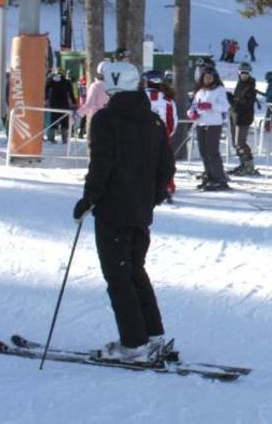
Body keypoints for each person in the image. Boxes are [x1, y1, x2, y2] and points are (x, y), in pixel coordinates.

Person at [73, 61, 175, 363]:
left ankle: (134, 343)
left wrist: (89, 198)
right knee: (134, 270)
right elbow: (166, 166)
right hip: (140, 210)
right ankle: (152, 333)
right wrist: (152, 196)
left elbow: (102, 163)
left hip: (114, 210)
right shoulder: (153, 121)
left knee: (118, 275)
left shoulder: (107, 119)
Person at [188, 66, 231, 191]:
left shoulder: (219, 90)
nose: (208, 79)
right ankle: (210, 176)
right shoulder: (199, 91)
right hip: (201, 123)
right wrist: (191, 113)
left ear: (214, 78)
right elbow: (193, 106)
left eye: (210, 77)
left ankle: (220, 179)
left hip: (214, 124)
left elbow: (225, 106)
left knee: (213, 152)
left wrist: (211, 105)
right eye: (206, 77)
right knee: (203, 152)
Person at [144, 70, 179, 199]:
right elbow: (172, 122)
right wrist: (167, 135)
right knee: (164, 162)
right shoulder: (167, 100)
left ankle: (145, 185)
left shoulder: (139, 97)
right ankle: (166, 185)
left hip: (142, 137)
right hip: (162, 137)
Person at [228, 62, 260, 176]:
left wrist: (231, 100)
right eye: (242, 73)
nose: (244, 75)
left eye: (247, 73)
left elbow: (243, 103)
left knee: (240, 142)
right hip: (236, 117)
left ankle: (248, 165)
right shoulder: (240, 84)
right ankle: (243, 164)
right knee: (236, 143)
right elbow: (237, 100)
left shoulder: (250, 87)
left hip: (243, 118)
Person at [77, 61, 110, 146]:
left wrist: (79, 114)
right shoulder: (116, 86)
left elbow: (89, 104)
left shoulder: (96, 86)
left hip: (99, 119)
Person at [45, 69, 75, 143]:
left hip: (54, 104)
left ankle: (52, 138)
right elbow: (71, 93)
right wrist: (74, 102)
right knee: (64, 121)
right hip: (64, 104)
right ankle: (64, 139)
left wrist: (46, 98)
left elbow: (46, 89)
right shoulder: (67, 82)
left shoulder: (51, 81)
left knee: (53, 120)